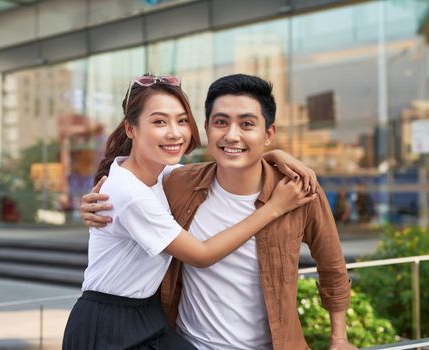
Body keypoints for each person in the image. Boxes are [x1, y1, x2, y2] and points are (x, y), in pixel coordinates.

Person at [81, 74, 356, 350]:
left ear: (268, 133)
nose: (232, 135)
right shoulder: (179, 184)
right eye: (221, 122)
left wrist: (339, 340)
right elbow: (134, 195)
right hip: (181, 341)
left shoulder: (298, 190)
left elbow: (332, 266)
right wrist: (97, 206)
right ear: (207, 128)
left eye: (247, 124)